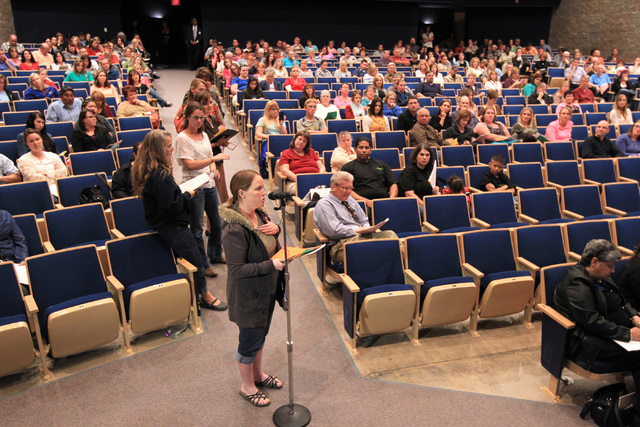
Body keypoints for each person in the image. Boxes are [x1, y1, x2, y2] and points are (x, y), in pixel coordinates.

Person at [131, 130, 227, 314]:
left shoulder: (152, 170)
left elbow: (167, 199)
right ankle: (204, 296)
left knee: (191, 260)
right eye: (169, 146)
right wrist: (187, 194)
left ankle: (195, 295)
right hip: (172, 226)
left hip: (165, 223)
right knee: (196, 261)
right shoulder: (160, 175)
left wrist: (179, 193)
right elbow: (172, 205)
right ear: (158, 149)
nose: (172, 149)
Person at [554, 239, 640, 426]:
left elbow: (621, 299)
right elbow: (591, 322)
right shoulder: (576, 283)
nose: (614, 270)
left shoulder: (600, 275)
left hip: (607, 333)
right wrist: (628, 334)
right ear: (594, 262)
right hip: (586, 342)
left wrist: (634, 316)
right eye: (610, 266)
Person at [218, 170, 285, 408]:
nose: (264, 192)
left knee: (260, 336)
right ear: (241, 193)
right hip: (248, 296)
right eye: (258, 188)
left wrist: (276, 230)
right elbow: (236, 270)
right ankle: (247, 386)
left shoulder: (260, 214)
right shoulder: (234, 229)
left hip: (266, 289)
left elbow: (267, 243)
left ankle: (258, 375)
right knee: (248, 342)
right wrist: (271, 265)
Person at [176, 102, 229, 278]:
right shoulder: (182, 138)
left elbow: (208, 157)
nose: (199, 121)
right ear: (187, 117)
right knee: (197, 228)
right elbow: (189, 165)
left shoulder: (204, 135)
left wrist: (213, 168)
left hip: (208, 182)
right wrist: (212, 160)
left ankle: (215, 254)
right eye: (196, 118)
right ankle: (203, 263)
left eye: (202, 117)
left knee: (217, 222)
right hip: (194, 186)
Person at [313, 171, 398, 264]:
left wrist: (367, 229)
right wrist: (357, 230)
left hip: (362, 237)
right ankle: (389, 265)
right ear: (333, 187)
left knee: (390, 235)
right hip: (341, 244)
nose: (349, 192)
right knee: (378, 249)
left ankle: (396, 266)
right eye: (345, 188)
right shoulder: (324, 205)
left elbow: (363, 219)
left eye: (351, 188)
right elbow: (334, 230)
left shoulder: (349, 199)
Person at [341, 137, 397, 208]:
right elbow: (345, 189)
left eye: (367, 148)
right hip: (361, 204)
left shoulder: (381, 164)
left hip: (384, 201)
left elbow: (393, 184)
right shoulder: (348, 167)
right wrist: (366, 202)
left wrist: (391, 200)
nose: (364, 150)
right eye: (361, 147)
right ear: (355, 149)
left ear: (370, 150)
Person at [278, 130, 325, 195]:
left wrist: (319, 177)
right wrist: (302, 180)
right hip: (295, 182)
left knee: (328, 191)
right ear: (295, 139)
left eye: (304, 141)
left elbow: (321, 167)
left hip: (315, 181)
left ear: (306, 144)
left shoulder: (311, 151)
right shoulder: (286, 153)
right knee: (310, 192)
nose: (301, 142)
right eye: (299, 139)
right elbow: (284, 171)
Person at [398, 143, 439, 209]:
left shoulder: (431, 169)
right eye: (421, 154)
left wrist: (435, 191)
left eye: (427, 155)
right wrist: (426, 206)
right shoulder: (409, 171)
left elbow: (434, 189)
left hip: (428, 202)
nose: (424, 157)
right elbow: (409, 194)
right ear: (416, 156)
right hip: (413, 204)